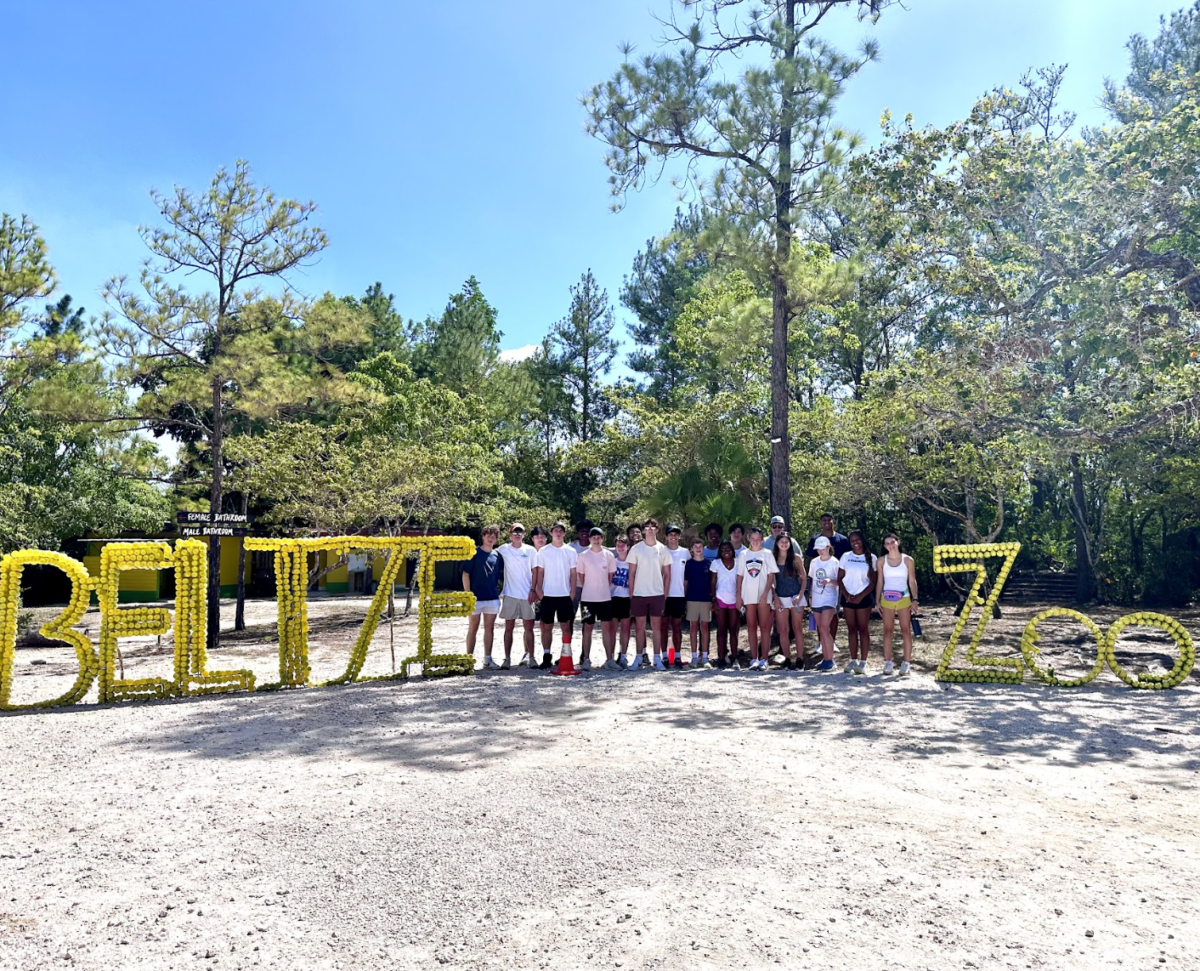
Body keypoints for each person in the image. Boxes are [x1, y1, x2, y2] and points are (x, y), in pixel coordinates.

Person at [625, 518, 673, 670]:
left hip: (657, 594)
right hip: (639, 594)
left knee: (656, 627)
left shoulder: (663, 549)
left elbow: (667, 574)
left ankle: (657, 659)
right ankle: (638, 657)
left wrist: (664, 594)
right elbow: (631, 573)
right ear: (644, 530)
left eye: (653, 527)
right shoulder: (636, 549)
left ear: (657, 530)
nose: (650, 529)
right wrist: (632, 594)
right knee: (639, 627)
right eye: (647, 527)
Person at [536, 522, 579, 671]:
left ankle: (564, 655)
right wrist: (539, 590)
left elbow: (573, 573)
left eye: (561, 531)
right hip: (548, 594)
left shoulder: (571, 551)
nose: (558, 533)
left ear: (565, 533)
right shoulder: (543, 551)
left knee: (565, 626)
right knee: (546, 626)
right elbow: (540, 572)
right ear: (551, 533)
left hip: (564, 595)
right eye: (556, 530)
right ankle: (546, 656)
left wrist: (572, 592)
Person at [875, 533, 919, 676]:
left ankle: (906, 662)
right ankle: (888, 662)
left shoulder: (908, 560)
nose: (890, 545)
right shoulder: (881, 561)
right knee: (888, 630)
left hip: (904, 597)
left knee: (905, 630)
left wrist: (915, 599)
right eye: (887, 543)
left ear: (898, 542)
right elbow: (880, 581)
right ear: (884, 546)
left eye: (892, 542)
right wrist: (877, 600)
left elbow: (912, 580)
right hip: (886, 598)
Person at [496, 522, 538, 669]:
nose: (518, 534)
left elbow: (535, 571)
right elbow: (489, 553)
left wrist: (533, 590)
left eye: (520, 532)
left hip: (527, 594)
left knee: (529, 628)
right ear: (510, 534)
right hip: (510, 594)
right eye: (515, 532)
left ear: (524, 534)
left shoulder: (531, 550)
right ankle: (507, 659)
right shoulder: (503, 549)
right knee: (509, 627)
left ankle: (532, 657)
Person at [576, 527, 617, 671]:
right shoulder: (583, 556)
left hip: (605, 598)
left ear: (602, 538)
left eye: (598, 537)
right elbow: (581, 577)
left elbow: (610, 577)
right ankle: (586, 659)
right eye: (593, 537)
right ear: (589, 539)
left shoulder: (609, 555)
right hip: (587, 599)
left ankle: (609, 659)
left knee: (606, 627)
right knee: (588, 627)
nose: (596, 539)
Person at [737, 527, 778, 670]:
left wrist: (766, 593)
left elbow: (771, 575)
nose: (755, 541)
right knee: (751, 626)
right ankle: (754, 658)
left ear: (762, 539)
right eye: (752, 539)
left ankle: (764, 659)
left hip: (763, 596)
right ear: (748, 538)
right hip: (748, 595)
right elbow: (740, 575)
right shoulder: (743, 554)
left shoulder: (767, 554)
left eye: (758, 539)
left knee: (765, 627)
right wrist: (738, 596)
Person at [463, 525, 504, 668]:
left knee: (489, 628)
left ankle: (487, 659)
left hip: (492, 597)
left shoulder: (498, 556)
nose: (490, 537)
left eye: (494, 535)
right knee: (473, 627)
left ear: (496, 538)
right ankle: (469, 659)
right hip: (475, 598)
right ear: (483, 536)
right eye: (488, 535)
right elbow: (465, 574)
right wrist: (468, 595)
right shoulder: (473, 553)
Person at [838, 530, 876, 675]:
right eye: (852, 540)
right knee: (851, 629)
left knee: (863, 628)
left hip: (864, 598)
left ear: (862, 540)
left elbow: (873, 582)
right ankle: (853, 659)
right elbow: (840, 578)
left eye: (857, 540)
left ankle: (864, 662)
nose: (855, 542)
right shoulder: (846, 557)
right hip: (848, 598)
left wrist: (860, 595)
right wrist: (847, 594)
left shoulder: (871, 557)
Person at [771, 531, 806, 669]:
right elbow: (771, 580)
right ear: (777, 544)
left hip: (796, 597)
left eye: (786, 542)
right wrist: (775, 597)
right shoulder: (773, 558)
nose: (784, 544)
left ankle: (800, 659)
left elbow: (803, 578)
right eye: (781, 542)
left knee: (797, 628)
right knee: (783, 630)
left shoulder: (796, 558)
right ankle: (787, 658)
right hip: (780, 598)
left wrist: (800, 595)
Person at [808, 536, 840, 671]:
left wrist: (830, 581)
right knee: (821, 629)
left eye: (822, 548)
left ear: (828, 547)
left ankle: (830, 659)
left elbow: (840, 582)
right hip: (816, 598)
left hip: (829, 598)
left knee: (825, 628)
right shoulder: (814, 562)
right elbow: (812, 579)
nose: (820, 551)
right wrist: (809, 596)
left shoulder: (834, 562)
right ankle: (826, 658)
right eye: (818, 549)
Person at [663, 525, 690, 667]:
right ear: (666, 537)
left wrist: (686, 596)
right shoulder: (661, 551)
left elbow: (688, 575)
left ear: (680, 536)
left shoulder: (685, 553)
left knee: (677, 627)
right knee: (663, 627)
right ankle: (664, 656)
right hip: (663, 595)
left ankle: (677, 656)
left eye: (676, 534)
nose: (673, 537)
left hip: (679, 595)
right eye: (670, 534)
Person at [710, 542, 740, 668]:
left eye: (728, 549)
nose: (726, 551)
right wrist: (713, 600)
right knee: (721, 630)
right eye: (723, 550)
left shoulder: (739, 563)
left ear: (732, 550)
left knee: (733, 631)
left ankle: (734, 659)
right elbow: (713, 582)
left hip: (734, 599)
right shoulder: (716, 564)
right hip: (720, 599)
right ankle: (722, 659)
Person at [684, 539, 712, 667]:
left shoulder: (708, 563)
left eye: (700, 546)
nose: (698, 549)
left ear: (703, 548)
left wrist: (713, 599)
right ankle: (694, 657)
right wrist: (684, 599)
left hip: (706, 599)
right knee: (693, 627)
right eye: (695, 546)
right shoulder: (689, 564)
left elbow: (712, 583)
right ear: (692, 549)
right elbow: (686, 582)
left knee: (705, 627)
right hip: (692, 599)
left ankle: (705, 656)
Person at [610, 534, 633, 667]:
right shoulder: (612, 561)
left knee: (625, 628)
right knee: (612, 629)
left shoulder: (631, 563)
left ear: (628, 547)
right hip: (613, 597)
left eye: (623, 545)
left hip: (626, 598)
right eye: (618, 544)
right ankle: (611, 657)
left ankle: (623, 656)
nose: (620, 547)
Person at [529, 525, 549, 633]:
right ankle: (527, 649)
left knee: (544, 623)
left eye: (542, 536)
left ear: (546, 538)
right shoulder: (528, 552)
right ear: (532, 538)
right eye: (537, 536)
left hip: (546, 592)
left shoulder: (550, 552)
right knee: (528, 624)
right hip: (529, 591)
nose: (540, 539)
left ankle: (545, 648)